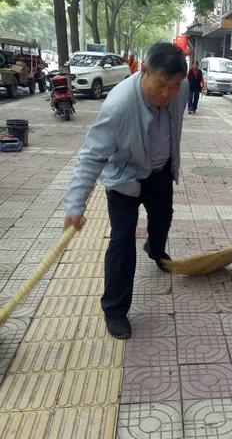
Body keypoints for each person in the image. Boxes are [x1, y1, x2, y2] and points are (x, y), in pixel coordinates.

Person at [63, 42, 188, 339]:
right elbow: (91, 156)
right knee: (121, 241)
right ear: (143, 71)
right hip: (123, 179)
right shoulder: (119, 105)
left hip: (159, 172)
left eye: (174, 86)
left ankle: (155, 249)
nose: (167, 94)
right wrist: (75, 205)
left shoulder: (179, 91)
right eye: (161, 85)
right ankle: (115, 310)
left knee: (163, 218)